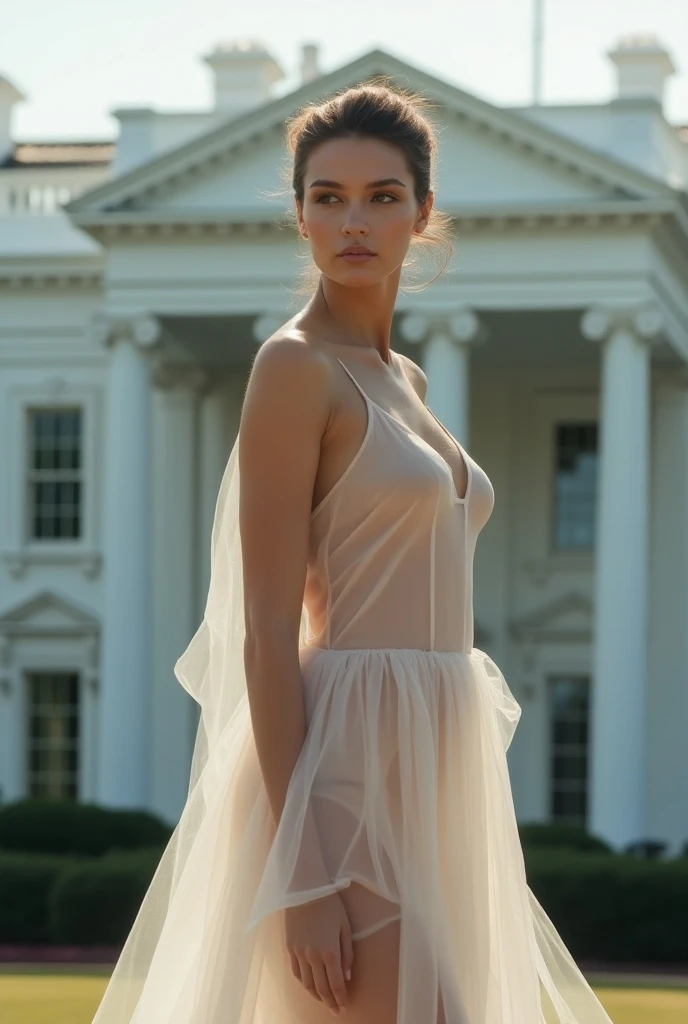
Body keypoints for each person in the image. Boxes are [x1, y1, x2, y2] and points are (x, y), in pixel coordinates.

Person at [91, 81, 616, 1023]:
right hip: (342, 776)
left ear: (423, 210)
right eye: (327, 197)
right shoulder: (293, 368)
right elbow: (263, 629)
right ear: (299, 215)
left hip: (437, 757)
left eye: (381, 195)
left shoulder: (405, 379)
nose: (354, 221)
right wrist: (304, 867)